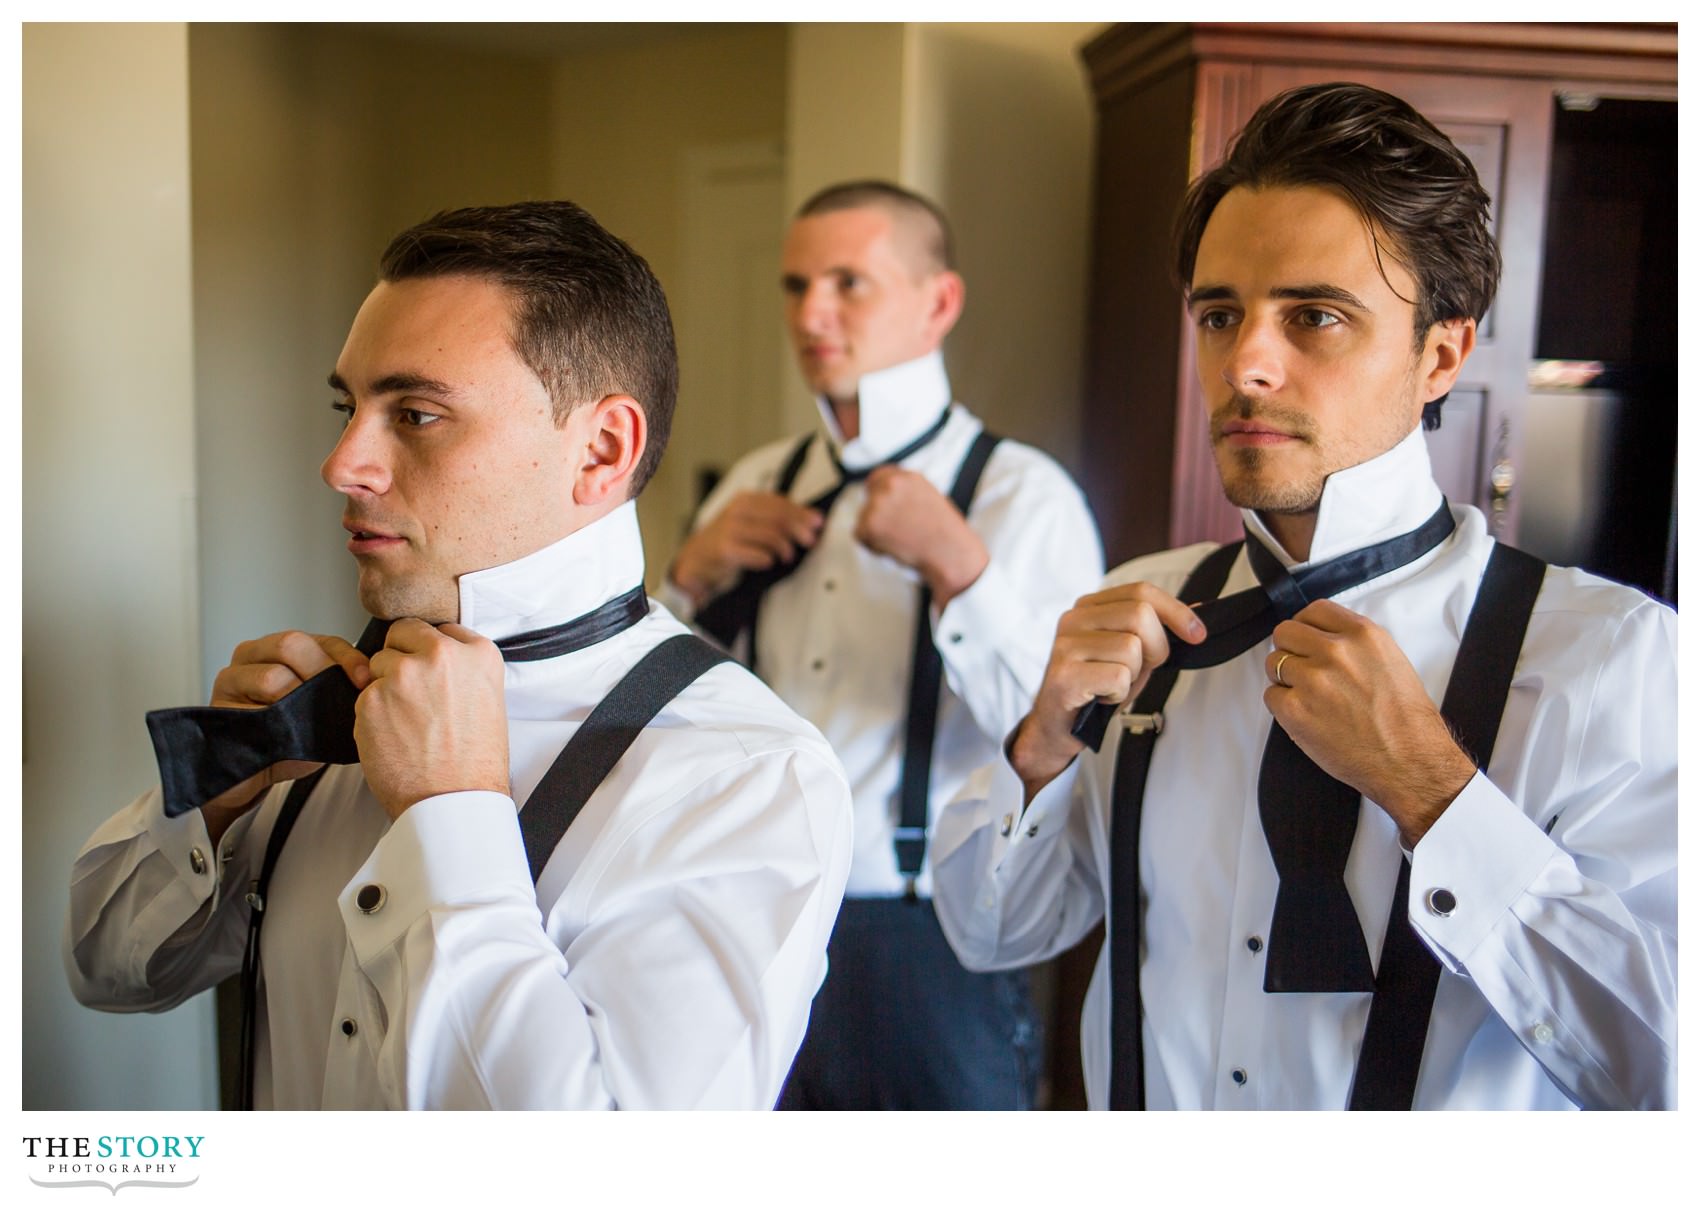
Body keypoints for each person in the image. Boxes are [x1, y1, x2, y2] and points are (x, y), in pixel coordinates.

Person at [929, 83, 1676, 1110]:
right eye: (1218, 314)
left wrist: (1433, 795)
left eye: (1314, 316)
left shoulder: (1614, 660)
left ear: (1441, 354)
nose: (1247, 365)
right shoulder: (1132, 610)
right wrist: (1037, 751)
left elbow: (1661, 1076)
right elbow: (989, 935)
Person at [64, 201, 854, 1110]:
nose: (341, 462)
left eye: (416, 413)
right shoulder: (333, 703)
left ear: (601, 450)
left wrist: (450, 818)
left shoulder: (746, 775)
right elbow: (105, 970)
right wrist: (211, 806)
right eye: (347, 406)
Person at [661, 181, 1103, 1109]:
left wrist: (962, 570)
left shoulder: (1023, 497)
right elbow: (669, 724)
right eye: (793, 285)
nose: (811, 313)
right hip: (749, 919)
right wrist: (684, 584)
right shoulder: (753, 482)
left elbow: (1067, 740)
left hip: (926, 936)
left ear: (936, 303)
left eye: (847, 283)